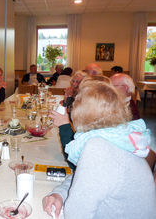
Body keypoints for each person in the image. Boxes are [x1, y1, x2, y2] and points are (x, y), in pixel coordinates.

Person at [43, 81, 156, 219]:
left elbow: (75, 214)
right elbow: (84, 175)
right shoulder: (118, 137)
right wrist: (59, 194)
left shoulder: (98, 148)